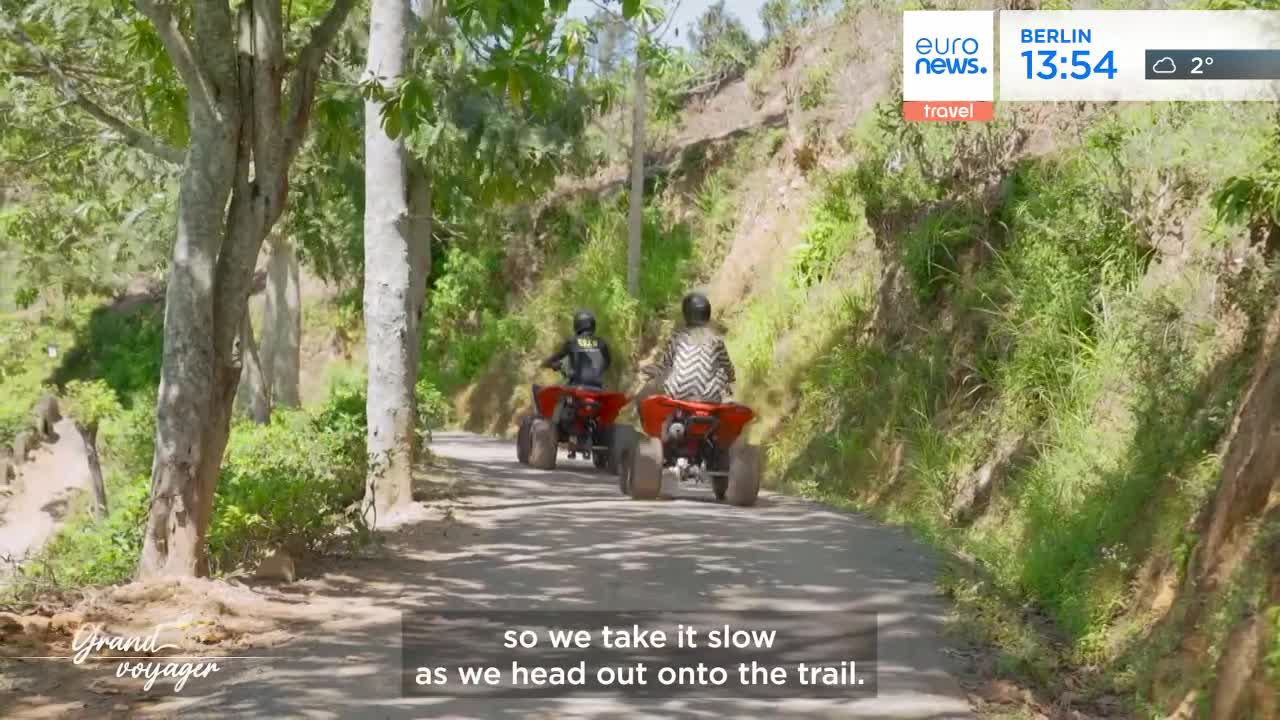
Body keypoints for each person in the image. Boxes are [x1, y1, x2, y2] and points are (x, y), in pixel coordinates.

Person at [642, 291, 737, 404]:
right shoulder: (716, 341)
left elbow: (663, 366)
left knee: (665, 373)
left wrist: (645, 370)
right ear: (707, 315)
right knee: (722, 372)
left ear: (686, 315)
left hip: (678, 395)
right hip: (709, 399)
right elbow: (728, 368)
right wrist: (730, 379)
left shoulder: (677, 339)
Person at [542, 309, 612, 388]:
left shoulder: (572, 342)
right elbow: (607, 363)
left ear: (577, 324)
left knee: (560, 394)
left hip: (576, 386)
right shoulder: (601, 343)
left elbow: (556, 358)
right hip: (597, 386)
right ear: (593, 324)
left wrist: (546, 364)